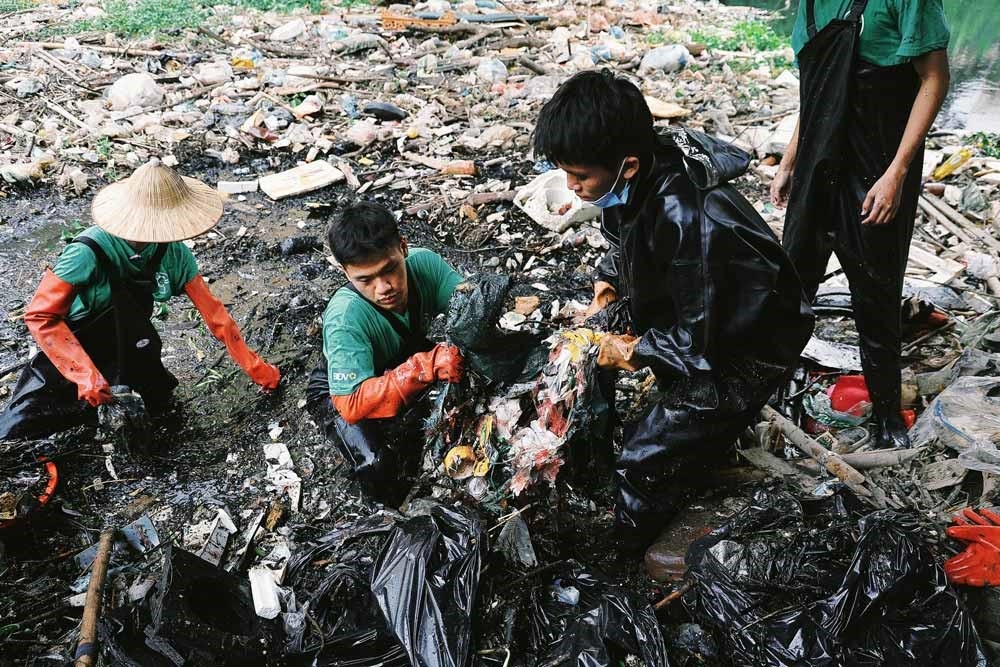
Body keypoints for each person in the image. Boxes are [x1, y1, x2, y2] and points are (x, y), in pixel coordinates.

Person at [533, 70, 815, 553]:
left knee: (642, 457)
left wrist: (631, 350)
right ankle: (595, 444)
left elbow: (697, 346)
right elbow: (625, 244)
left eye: (579, 177)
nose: (572, 187)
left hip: (749, 344)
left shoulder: (692, 220)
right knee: (582, 346)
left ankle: (630, 541)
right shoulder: (631, 175)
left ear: (627, 165)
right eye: (567, 173)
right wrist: (608, 284)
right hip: (694, 311)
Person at [772, 0, 950, 449]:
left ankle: (887, 415)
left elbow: (935, 78)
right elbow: (816, 94)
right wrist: (791, 160)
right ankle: (771, 394)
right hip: (816, 166)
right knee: (791, 287)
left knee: (876, 292)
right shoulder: (810, 5)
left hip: (876, 168)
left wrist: (897, 173)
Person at [0, 159, 281, 441]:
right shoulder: (87, 251)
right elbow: (41, 316)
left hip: (131, 340)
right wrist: (84, 374)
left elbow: (216, 316)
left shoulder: (176, 255)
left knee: (161, 409)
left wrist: (255, 367)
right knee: (22, 424)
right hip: (76, 341)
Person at [306, 201, 464, 505]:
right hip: (341, 391)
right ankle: (391, 513)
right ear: (345, 272)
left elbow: (470, 306)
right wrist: (422, 368)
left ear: (403, 247)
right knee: (379, 465)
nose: (384, 288)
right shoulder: (344, 318)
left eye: (389, 269)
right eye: (365, 280)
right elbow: (351, 403)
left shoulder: (426, 265)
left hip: (398, 357)